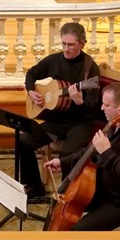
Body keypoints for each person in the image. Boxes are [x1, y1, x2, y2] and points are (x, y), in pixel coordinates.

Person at [44, 82, 120, 230]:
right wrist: (62, 162)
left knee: (79, 232)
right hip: (105, 190)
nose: (102, 108)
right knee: (60, 201)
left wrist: (107, 152)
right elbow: (89, 151)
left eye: (106, 105)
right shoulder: (114, 123)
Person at [19, 21, 100, 198]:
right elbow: (31, 73)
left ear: (82, 43)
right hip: (57, 121)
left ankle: (66, 195)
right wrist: (31, 91)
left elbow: (94, 106)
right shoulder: (54, 60)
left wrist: (80, 102)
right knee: (23, 140)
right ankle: (34, 186)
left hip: (80, 123)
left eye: (71, 44)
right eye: (63, 43)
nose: (66, 49)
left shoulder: (90, 70)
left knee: (68, 153)